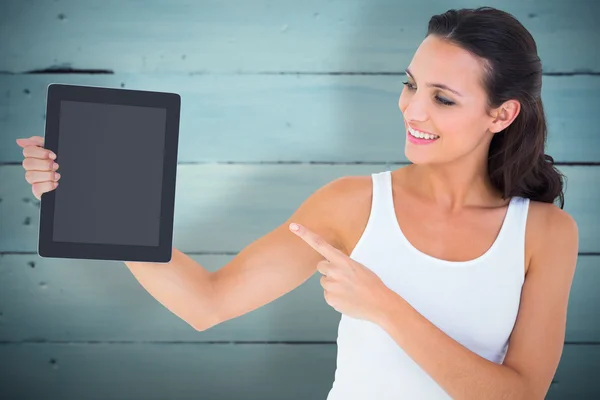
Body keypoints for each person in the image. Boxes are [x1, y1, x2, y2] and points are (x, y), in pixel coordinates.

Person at [16, 6, 579, 400]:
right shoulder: (352, 204)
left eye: (443, 98)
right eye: (410, 84)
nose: (413, 111)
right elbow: (207, 304)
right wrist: (93, 196)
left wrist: (384, 306)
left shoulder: (546, 234)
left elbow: (518, 396)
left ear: (502, 115)